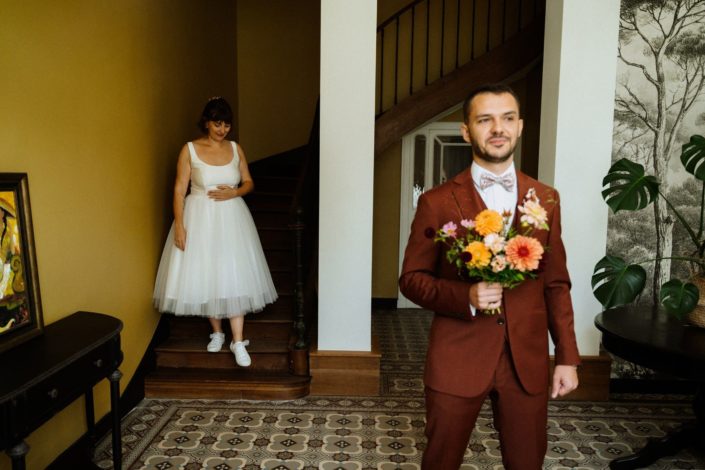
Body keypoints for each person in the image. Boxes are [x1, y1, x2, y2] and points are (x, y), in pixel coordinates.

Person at [399, 84, 580, 469]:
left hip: (526, 361)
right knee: (441, 462)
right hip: (457, 356)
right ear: (467, 131)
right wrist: (465, 296)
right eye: (485, 120)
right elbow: (411, 279)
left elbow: (556, 283)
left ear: (519, 126)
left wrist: (567, 357)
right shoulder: (436, 202)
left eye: (507, 118)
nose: (498, 128)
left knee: (527, 462)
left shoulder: (546, 198)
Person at [153, 97, 277, 367]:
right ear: (207, 123)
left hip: (232, 218)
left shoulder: (235, 148)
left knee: (233, 271)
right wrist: (180, 225)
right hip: (200, 217)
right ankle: (217, 332)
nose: (223, 129)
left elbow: (249, 182)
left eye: (227, 125)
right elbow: (179, 190)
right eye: (218, 123)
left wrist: (236, 192)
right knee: (206, 271)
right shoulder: (189, 150)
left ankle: (238, 341)